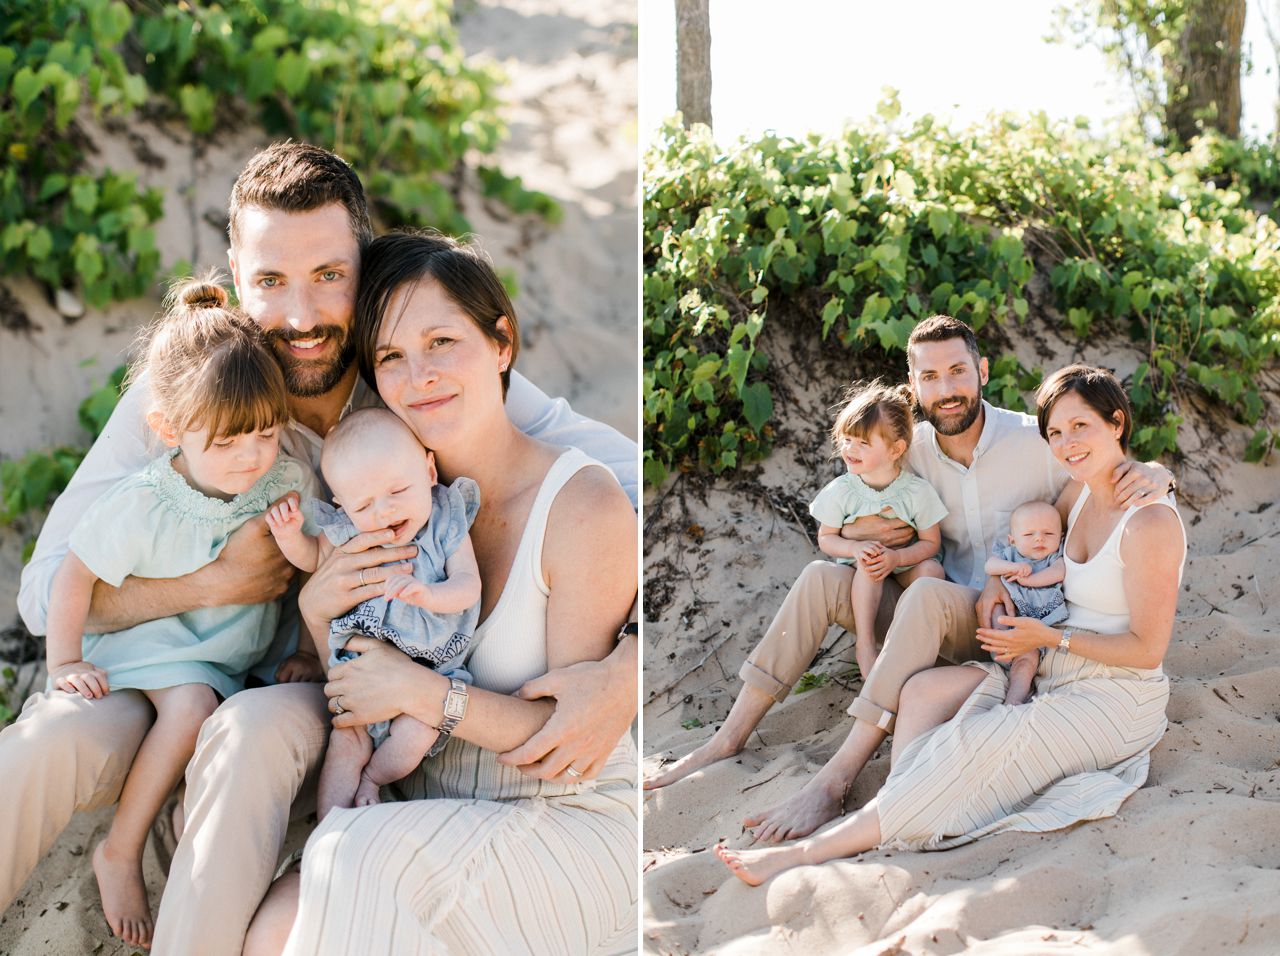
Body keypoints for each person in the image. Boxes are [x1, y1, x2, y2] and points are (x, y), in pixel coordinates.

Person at [5, 142, 638, 954]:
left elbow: (603, 483)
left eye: (328, 277)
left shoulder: (411, 384)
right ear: (237, 274)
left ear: (361, 266)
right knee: (49, 743)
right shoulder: (197, 383)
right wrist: (213, 584)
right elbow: (42, 590)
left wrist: (627, 666)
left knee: (251, 731)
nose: (301, 316)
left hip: (317, 697)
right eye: (271, 281)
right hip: (165, 672)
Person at [240, 231, 637, 955]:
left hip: (562, 819)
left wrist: (419, 696)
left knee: (350, 863)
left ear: (502, 343)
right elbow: (361, 663)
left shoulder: (581, 503)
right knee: (269, 931)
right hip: (421, 802)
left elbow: (566, 745)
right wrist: (318, 614)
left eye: (442, 341)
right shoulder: (383, 501)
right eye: (391, 356)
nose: (418, 375)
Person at [645, 315, 1172, 847]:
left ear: (982, 371)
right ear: (912, 385)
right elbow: (852, 509)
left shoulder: (1035, 441)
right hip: (929, 611)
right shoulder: (906, 449)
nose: (946, 390)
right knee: (821, 578)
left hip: (1003, 621)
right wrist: (867, 538)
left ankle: (835, 779)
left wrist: (1157, 470)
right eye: (930, 377)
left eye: (958, 372)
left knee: (925, 591)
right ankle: (728, 738)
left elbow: (1101, 468)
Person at [40, 279, 319, 947]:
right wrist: (63, 661)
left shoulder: (281, 479)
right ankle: (120, 848)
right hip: (159, 650)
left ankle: (186, 843)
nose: (251, 457)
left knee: (229, 732)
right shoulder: (148, 499)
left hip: (233, 656)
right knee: (192, 707)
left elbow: (312, 571)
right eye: (227, 442)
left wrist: (306, 638)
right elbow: (71, 575)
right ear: (170, 429)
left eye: (266, 433)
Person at [266, 407, 481, 817]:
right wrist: (289, 535)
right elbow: (313, 560)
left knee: (417, 732)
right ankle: (330, 826)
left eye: (398, 491)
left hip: (429, 673)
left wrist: (428, 595)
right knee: (346, 741)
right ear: (342, 505)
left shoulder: (444, 521)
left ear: (429, 472)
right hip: (358, 672)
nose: (383, 512)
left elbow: (469, 586)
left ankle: (374, 781)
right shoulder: (348, 530)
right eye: (364, 505)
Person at [809, 380, 947, 680]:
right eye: (846, 439)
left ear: (896, 449)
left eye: (863, 443)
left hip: (904, 568)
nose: (850, 450)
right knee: (869, 562)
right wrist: (855, 548)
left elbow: (931, 543)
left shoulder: (916, 492)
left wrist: (897, 559)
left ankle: (908, 646)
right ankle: (866, 644)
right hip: (865, 574)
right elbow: (826, 538)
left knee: (932, 573)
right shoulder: (842, 490)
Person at [983, 499, 1067, 706]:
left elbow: (1059, 572)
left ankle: (1014, 698)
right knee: (996, 610)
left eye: (1048, 534)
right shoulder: (1011, 555)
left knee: (1026, 661)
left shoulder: (1054, 558)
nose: (1039, 539)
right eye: (1029, 534)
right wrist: (1009, 567)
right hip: (1012, 617)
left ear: (1061, 537)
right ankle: (1001, 648)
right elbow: (990, 565)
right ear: (1012, 540)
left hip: (1039, 624)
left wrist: (1029, 580)